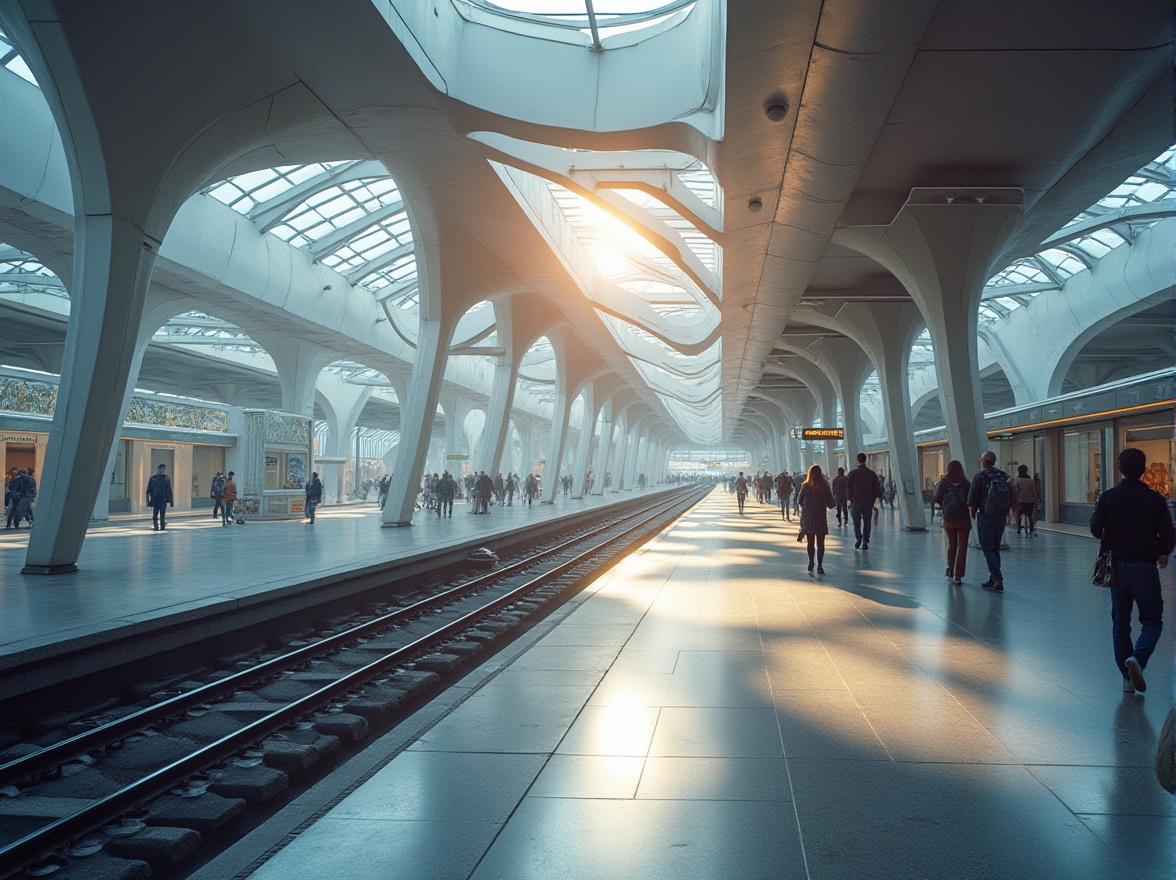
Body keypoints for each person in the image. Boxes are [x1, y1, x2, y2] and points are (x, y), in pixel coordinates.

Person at [1090, 447, 1174, 694]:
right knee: (1152, 621)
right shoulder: (1155, 499)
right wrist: (1162, 551)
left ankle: (1127, 678)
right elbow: (1168, 534)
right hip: (1145, 568)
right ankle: (1138, 658)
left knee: (1120, 622)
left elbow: (1095, 528)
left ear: (1120, 467)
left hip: (1116, 567)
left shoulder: (1109, 496)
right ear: (1144, 469)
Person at [968, 451, 1013, 592]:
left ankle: (997, 579)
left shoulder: (980, 476)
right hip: (1001, 516)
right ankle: (993, 578)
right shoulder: (1004, 476)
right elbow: (1011, 495)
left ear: (984, 461)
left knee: (987, 548)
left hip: (985, 516)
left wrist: (973, 513)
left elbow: (972, 499)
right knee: (995, 548)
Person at [933, 460, 971, 585]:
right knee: (962, 547)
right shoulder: (966, 483)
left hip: (949, 518)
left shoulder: (944, 482)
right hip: (963, 519)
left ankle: (950, 569)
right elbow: (971, 499)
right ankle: (958, 576)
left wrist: (944, 507)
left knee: (952, 544)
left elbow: (937, 498)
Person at [797, 464, 835, 574]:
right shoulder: (824, 485)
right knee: (821, 543)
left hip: (809, 518)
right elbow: (830, 503)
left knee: (810, 542)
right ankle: (820, 566)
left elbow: (800, 500)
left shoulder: (805, 485)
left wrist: (807, 507)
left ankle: (811, 562)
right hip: (820, 517)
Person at [845, 453, 883, 550]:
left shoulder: (852, 473)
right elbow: (877, 488)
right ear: (865, 460)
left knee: (856, 522)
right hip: (868, 502)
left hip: (855, 502)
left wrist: (850, 498)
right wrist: (877, 498)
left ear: (858, 460)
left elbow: (848, 487)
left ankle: (858, 539)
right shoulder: (871, 473)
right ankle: (865, 541)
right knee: (867, 522)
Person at [1012, 464, 1039, 536]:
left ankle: (1018, 528)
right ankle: (1031, 529)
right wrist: (1037, 499)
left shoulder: (1017, 480)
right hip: (1030, 501)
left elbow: (1015, 490)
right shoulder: (1031, 480)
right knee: (1029, 515)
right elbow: (1034, 491)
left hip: (1020, 500)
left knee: (1018, 514)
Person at [146, 463, 174, 531]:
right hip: (161, 499)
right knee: (161, 514)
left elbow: (148, 491)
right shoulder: (166, 478)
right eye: (163, 469)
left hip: (156, 499)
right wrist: (171, 502)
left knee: (156, 514)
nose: (163, 470)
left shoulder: (153, 478)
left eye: (164, 469)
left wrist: (148, 502)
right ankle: (161, 526)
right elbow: (169, 491)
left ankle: (157, 526)